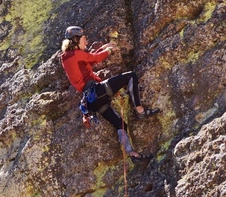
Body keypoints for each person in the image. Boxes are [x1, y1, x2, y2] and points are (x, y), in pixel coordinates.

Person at [60, 25, 159, 163]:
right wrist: (109, 51)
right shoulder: (75, 54)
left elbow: (88, 58)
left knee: (120, 124)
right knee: (130, 76)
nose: (87, 42)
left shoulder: (67, 57)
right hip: (97, 91)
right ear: (76, 40)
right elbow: (94, 58)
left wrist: (104, 48)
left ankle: (132, 154)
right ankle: (140, 110)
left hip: (92, 101)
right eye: (84, 39)